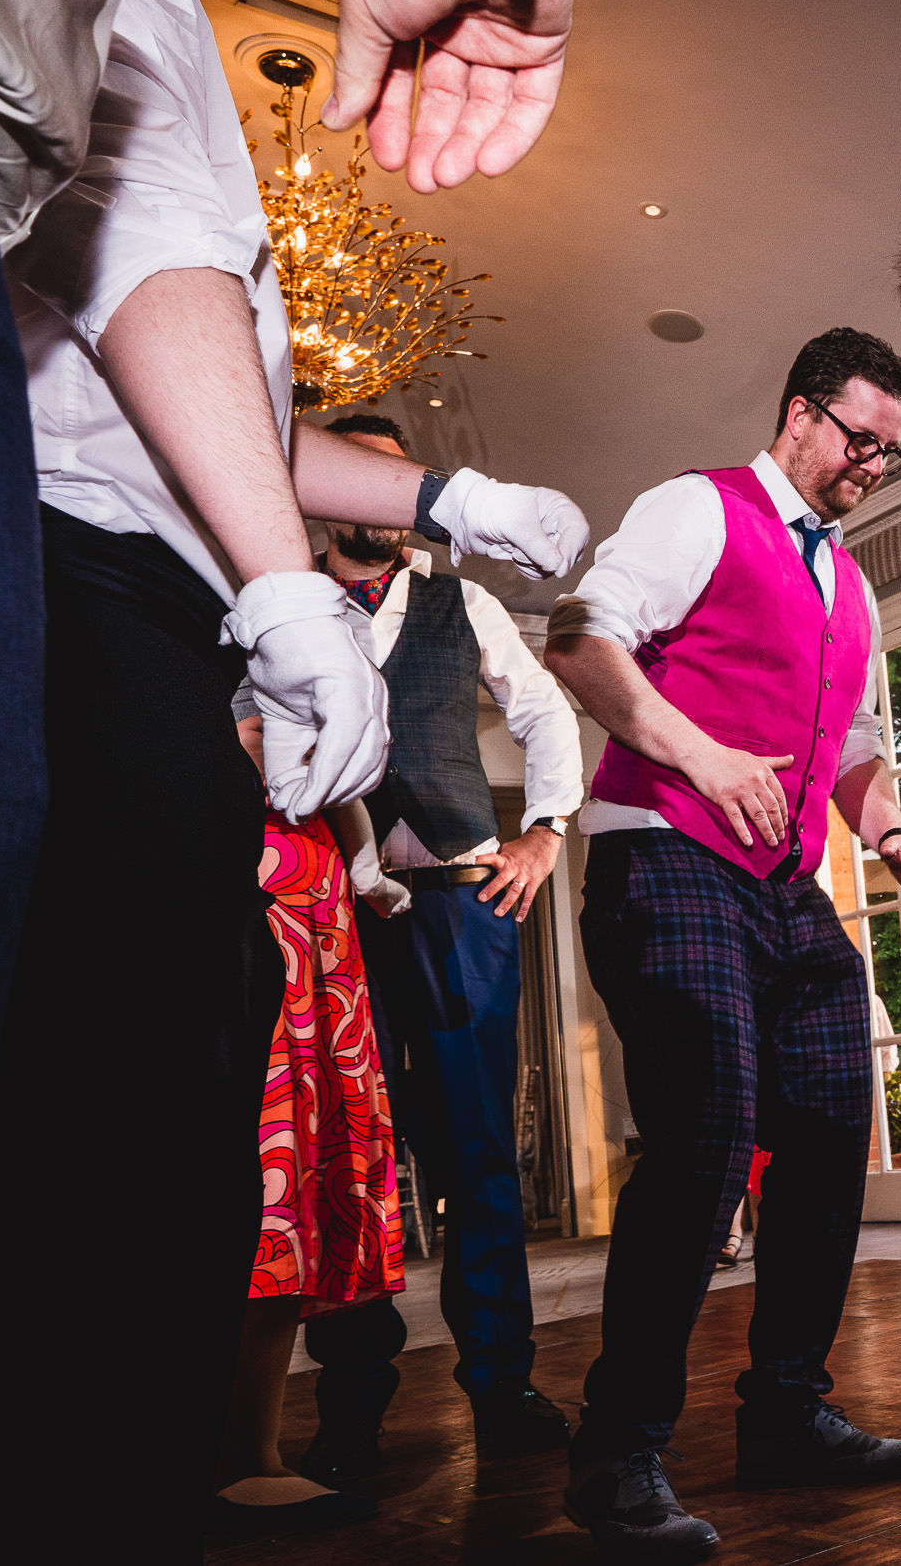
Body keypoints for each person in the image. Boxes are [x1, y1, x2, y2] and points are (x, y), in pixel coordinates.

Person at [0, 0, 583, 1551]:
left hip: (136, 593)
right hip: (71, 574)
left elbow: (235, 407)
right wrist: (281, 581)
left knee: (81, 1103)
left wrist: (441, 497)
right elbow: (141, 270)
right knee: (92, 1129)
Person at [545, 329, 901, 1562]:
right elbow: (578, 635)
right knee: (710, 1128)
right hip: (662, 852)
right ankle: (617, 1454)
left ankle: (784, 1408)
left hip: (782, 886)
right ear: (798, 412)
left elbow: (858, 736)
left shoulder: (856, 587)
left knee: (831, 1124)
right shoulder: (696, 510)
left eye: (892, 448)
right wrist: (700, 753)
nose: (873, 463)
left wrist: (887, 829)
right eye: (859, 437)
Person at [293, 412, 588, 1482]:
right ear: (325, 493)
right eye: (358, 477)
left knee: (478, 1154)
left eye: (396, 479)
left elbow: (546, 712)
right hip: (333, 912)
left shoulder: (461, 601)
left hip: (465, 907)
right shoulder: (282, 601)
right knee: (349, 1154)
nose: (380, 498)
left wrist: (547, 832)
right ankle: (351, 1396)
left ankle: (501, 1377)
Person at [215, 726, 408, 1533]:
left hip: (313, 900)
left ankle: (248, 1457)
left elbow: (347, 774)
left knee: (292, 1179)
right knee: (248, 1164)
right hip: (238, 880)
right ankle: (210, 1457)